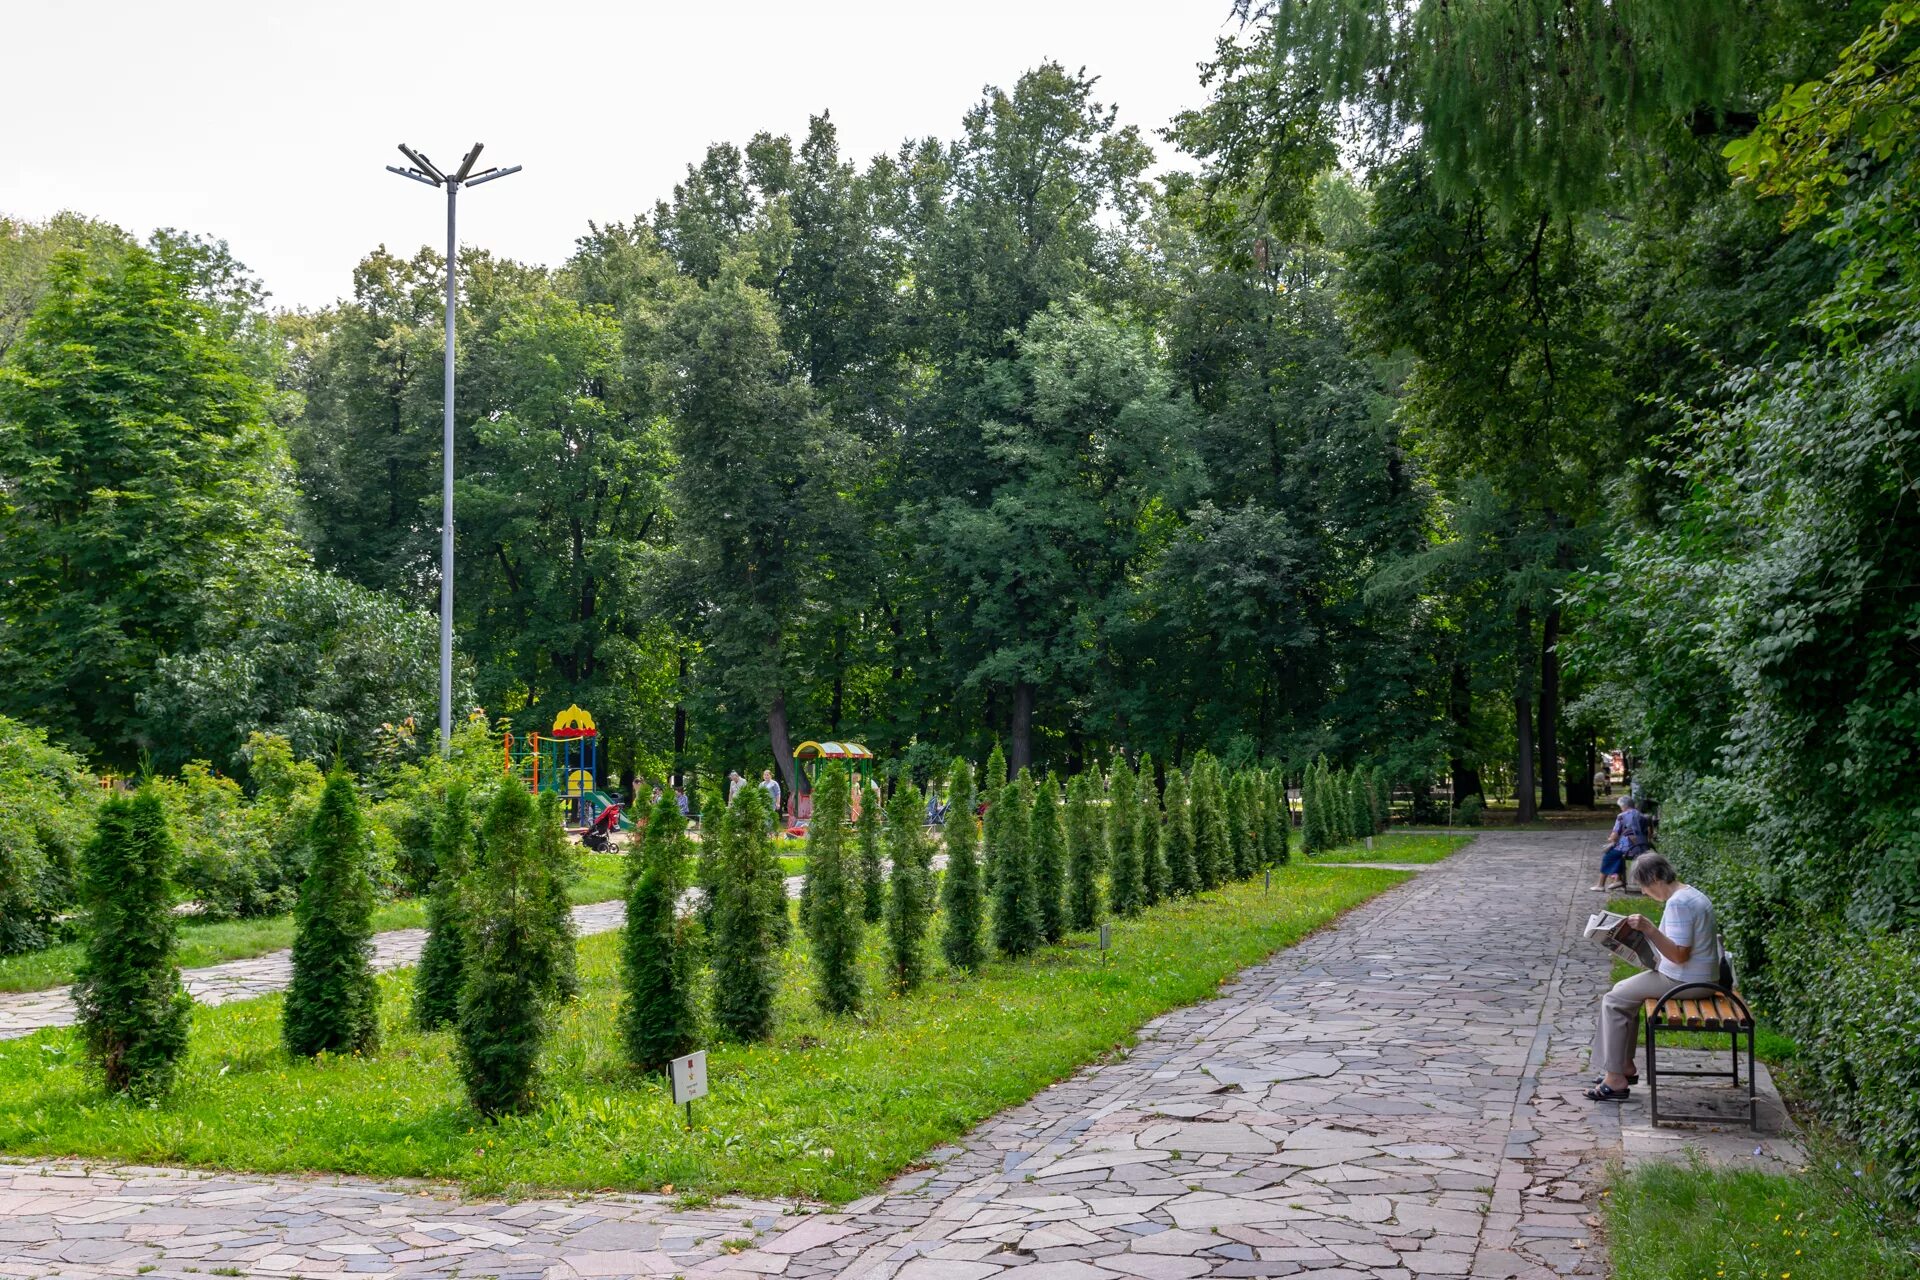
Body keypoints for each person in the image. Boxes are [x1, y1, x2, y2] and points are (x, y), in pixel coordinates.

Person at [1585, 854, 1719, 1102]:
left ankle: (1616, 1079)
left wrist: (1649, 929)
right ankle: (1622, 1066)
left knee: (1614, 1000)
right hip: (1697, 976)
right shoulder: (1691, 894)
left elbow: (1679, 955)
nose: (1645, 893)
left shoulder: (1679, 903)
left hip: (1687, 981)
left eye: (1645, 886)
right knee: (1622, 991)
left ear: (1656, 878)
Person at [1590, 796, 1644, 892]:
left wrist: (1610, 839)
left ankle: (1600, 885)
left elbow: (1615, 835)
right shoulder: (1641, 815)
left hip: (1628, 848)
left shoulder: (1622, 816)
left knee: (1608, 856)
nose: (1620, 808)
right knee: (1618, 854)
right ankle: (1618, 880)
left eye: (1620, 806)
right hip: (1642, 847)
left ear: (1624, 806)